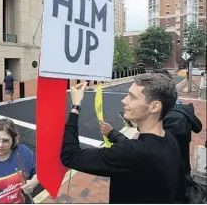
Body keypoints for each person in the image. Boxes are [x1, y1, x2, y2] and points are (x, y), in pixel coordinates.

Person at [61, 74, 186, 204]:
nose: (124, 100)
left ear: (155, 107)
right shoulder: (170, 139)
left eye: (132, 97)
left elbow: (70, 156)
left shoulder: (131, 153)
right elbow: (137, 150)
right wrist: (113, 134)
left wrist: (75, 106)